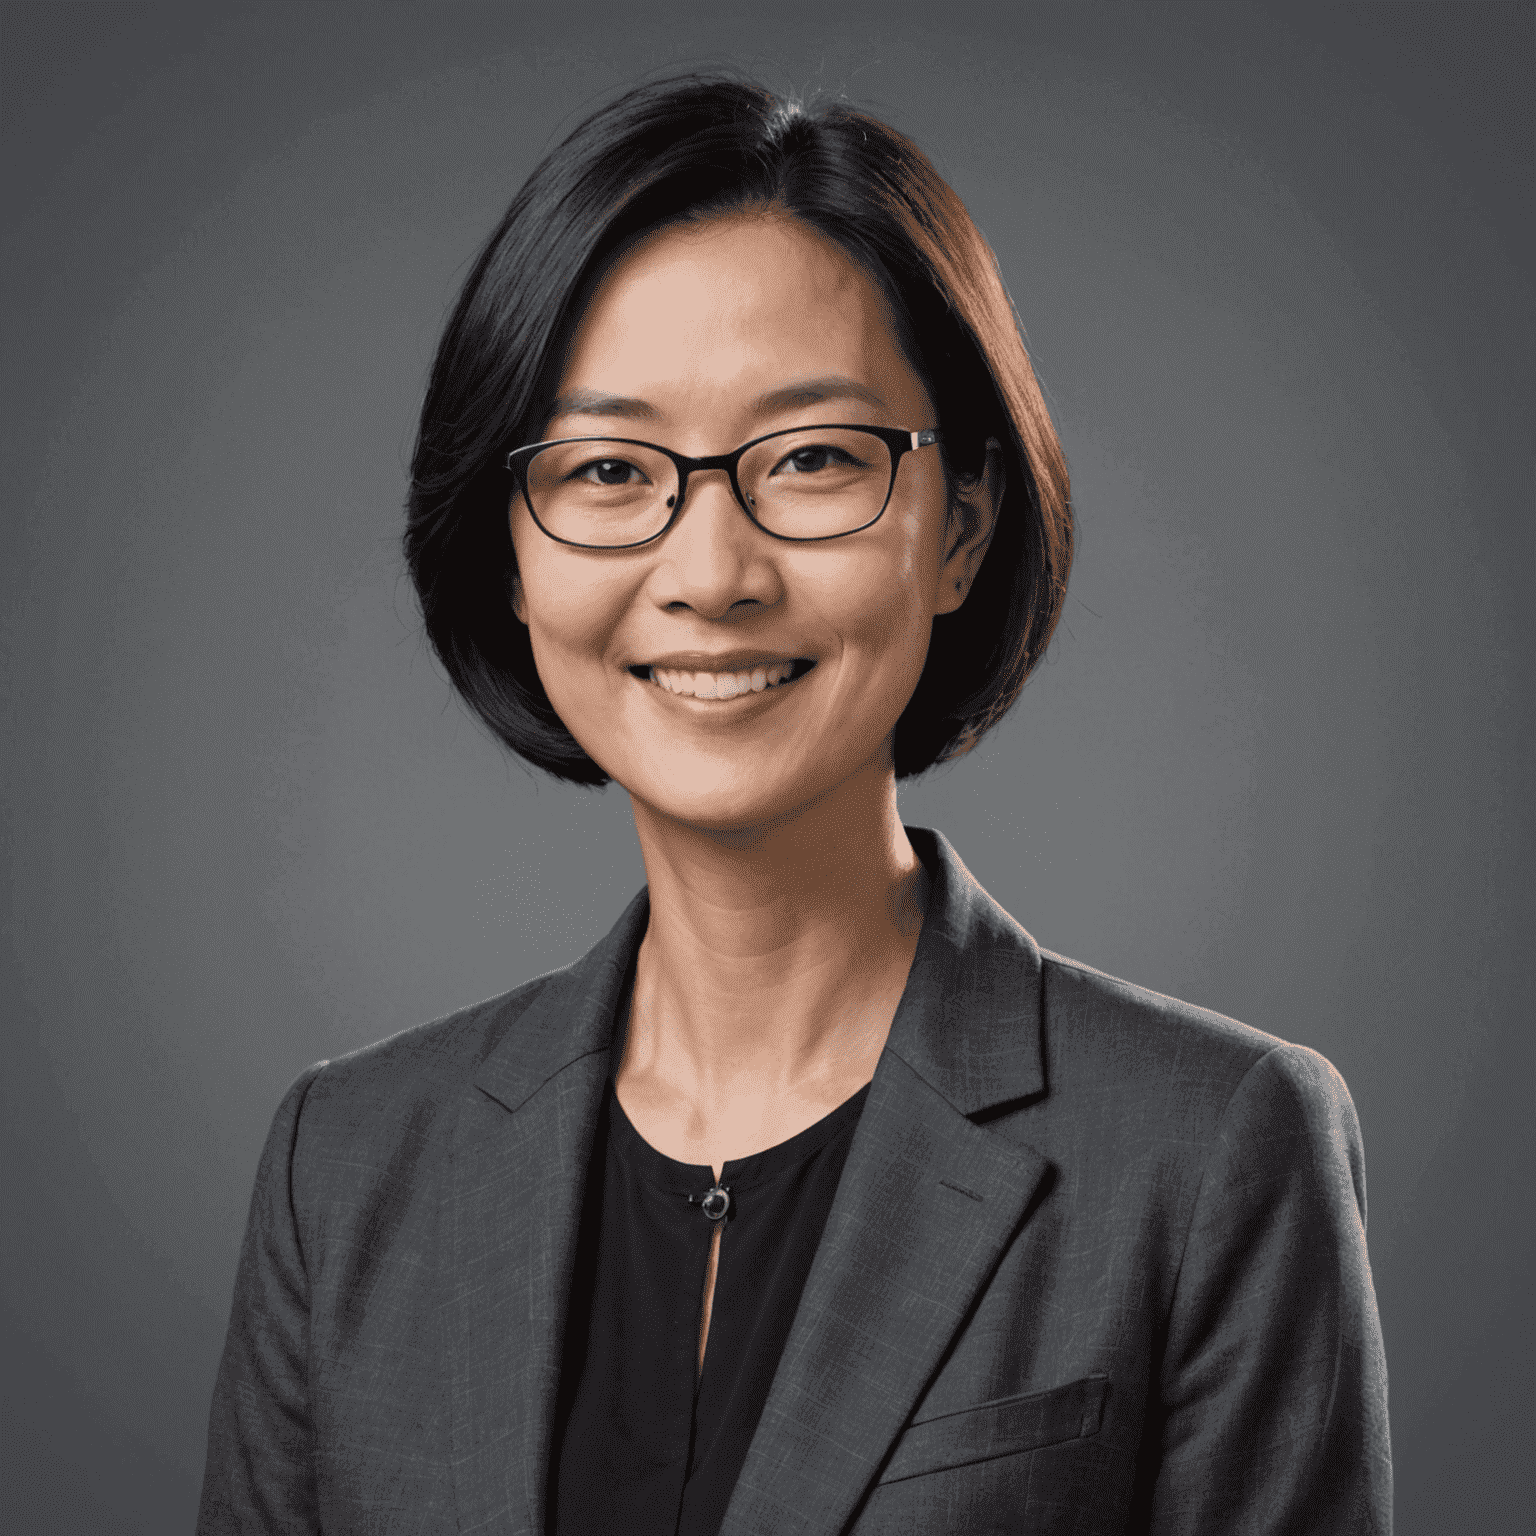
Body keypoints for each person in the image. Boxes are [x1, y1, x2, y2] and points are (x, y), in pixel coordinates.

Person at [197, 75, 1391, 1535]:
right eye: (610, 469)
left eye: (814, 459)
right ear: (509, 557)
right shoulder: (350, 1163)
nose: (712, 572)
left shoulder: (1211, 1148)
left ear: (960, 528)